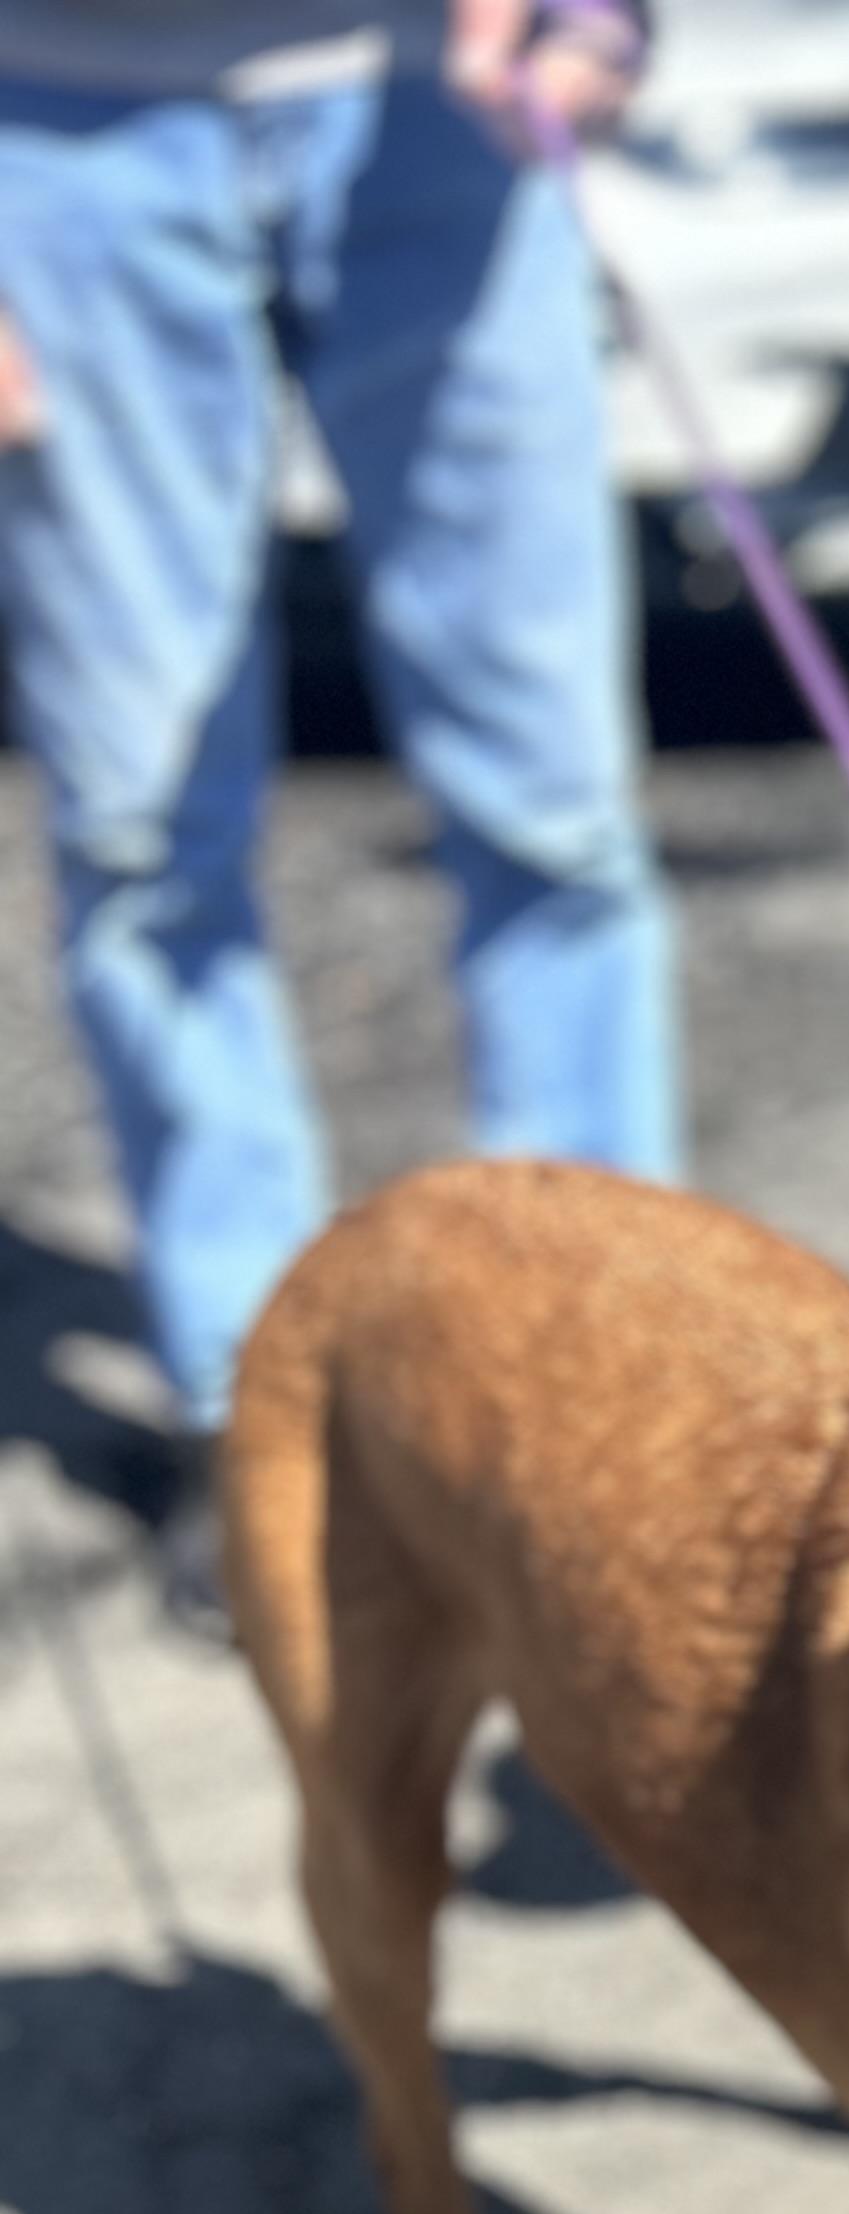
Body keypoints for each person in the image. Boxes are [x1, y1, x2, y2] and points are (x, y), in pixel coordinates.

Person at [0, 0, 676, 1627]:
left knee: (557, 812)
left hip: (435, 104)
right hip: (59, 128)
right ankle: (261, 1416)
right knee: (141, 836)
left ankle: (607, 1386)